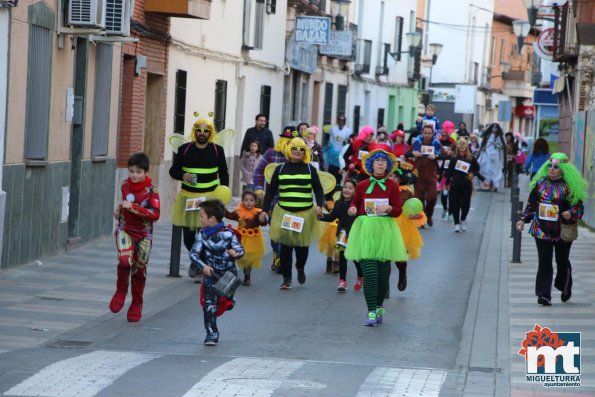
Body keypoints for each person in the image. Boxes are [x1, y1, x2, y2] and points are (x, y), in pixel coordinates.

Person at [346, 149, 408, 326]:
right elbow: (355, 202)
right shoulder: (362, 185)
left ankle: (379, 306)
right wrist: (352, 209)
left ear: (387, 166)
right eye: (377, 161)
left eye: (383, 161)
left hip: (384, 230)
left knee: (382, 275)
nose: (380, 163)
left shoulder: (392, 186)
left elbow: (398, 210)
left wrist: (389, 209)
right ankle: (371, 311)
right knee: (370, 273)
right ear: (371, 164)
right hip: (365, 230)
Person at [516, 153, 586, 306]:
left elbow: (579, 209)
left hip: (562, 231)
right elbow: (531, 206)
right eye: (550, 166)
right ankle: (543, 294)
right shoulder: (539, 185)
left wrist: (571, 214)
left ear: (563, 170)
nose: (552, 169)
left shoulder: (569, 187)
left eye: (556, 167)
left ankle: (565, 284)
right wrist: (522, 220)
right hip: (541, 230)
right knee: (544, 262)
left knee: (562, 261)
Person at [260, 137, 325, 290]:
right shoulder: (280, 169)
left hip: (304, 214)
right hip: (285, 213)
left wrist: (320, 205)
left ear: (305, 153)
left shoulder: (310, 169)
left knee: (302, 247)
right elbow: (270, 192)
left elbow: (319, 190)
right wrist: (264, 210)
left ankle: (300, 267)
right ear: (289, 150)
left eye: (301, 149)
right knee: (286, 247)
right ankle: (287, 278)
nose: (297, 152)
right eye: (294, 149)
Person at [169, 116, 230, 279]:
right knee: (189, 238)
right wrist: (183, 175)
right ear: (194, 131)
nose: (202, 133)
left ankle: (200, 265)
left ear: (210, 133)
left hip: (209, 199)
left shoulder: (217, 150)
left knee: (208, 235)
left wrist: (223, 198)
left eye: (206, 130)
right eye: (199, 130)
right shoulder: (184, 149)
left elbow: (224, 174)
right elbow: (173, 171)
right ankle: (199, 261)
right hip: (188, 199)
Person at [110, 152, 161, 322]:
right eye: (131, 171)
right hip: (125, 230)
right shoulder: (125, 185)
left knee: (139, 271)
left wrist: (133, 208)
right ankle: (120, 291)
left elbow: (155, 214)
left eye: (138, 171)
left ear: (146, 172)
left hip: (144, 234)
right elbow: (125, 204)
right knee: (124, 261)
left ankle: (137, 303)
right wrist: (119, 211)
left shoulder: (152, 191)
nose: (134, 175)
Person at [189, 199, 245, 345]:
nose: (200, 219)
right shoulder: (201, 235)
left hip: (228, 274)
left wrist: (235, 253)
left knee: (226, 299)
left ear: (212, 218)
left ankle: (229, 300)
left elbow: (240, 250)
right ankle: (212, 334)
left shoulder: (229, 234)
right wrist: (203, 267)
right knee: (209, 305)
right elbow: (193, 254)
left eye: (202, 216)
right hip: (210, 274)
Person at [253, 126, 295, 272]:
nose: (288, 142)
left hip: (291, 200)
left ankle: (282, 258)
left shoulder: (298, 157)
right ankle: (278, 256)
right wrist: (258, 187)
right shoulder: (271, 153)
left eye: (291, 140)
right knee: (275, 230)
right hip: (272, 200)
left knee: (286, 231)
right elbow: (259, 170)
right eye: (286, 139)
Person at [318, 179, 363, 292]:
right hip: (342, 234)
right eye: (345, 187)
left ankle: (360, 276)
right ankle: (342, 281)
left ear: (355, 191)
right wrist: (320, 215)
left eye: (350, 188)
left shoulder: (357, 203)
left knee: (354, 257)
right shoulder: (338, 203)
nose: (347, 190)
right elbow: (332, 217)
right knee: (342, 256)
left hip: (354, 233)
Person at [225, 191, 267, 286]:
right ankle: (233, 274)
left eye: (251, 200)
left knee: (249, 259)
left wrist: (263, 219)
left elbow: (262, 223)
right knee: (239, 256)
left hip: (253, 240)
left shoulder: (257, 213)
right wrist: (222, 208)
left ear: (255, 202)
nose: (248, 202)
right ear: (242, 201)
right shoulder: (239, 212)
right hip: (240, 238)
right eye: (246, 200)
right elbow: (229, 215)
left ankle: (247, 276)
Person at [408, 125, 442, 227]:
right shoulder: (418, 142)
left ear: (432, 134)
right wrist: (413, 152)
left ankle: (428, 215)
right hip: (419, 176)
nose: (427, 135)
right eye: (425, 133)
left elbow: (446, 155)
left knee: (432, 198)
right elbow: (407, 153)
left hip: (431, 176)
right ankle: (421, 220)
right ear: (422, 133)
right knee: (418, 200)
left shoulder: (435, 143)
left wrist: (436, 156)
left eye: (429, 133)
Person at [445, 139, 480, 233]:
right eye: (460, 144)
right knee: (455, 204)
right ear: (457, 146)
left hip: (466, 184)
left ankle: (463, 219)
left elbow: (477, 168)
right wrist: (446, 183)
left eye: (463, 144)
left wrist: (473, 174)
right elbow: (449, 172)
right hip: (455, 184)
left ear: (466, 146)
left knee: (466, 204)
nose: (461, 146)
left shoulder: (471, 158)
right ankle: (456, 224)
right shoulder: (454, 158)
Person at [477, 123, 506, 192]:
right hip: (486, 154)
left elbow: (502, 146)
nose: (494, 129)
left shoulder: (500, 137)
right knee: (485, 168)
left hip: (496, 156)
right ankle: (486, 184)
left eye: (496, 127)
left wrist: (497, 145)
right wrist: (483, 148)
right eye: (493, 127)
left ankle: (494, 185)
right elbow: (482, 144)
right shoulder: (487, 136)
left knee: (495, 171)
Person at [325, 114, 352, 183]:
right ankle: (330, 182)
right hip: (332, 151)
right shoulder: (333, 129)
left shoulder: (348, 130)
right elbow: (327, 135)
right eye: (339, 120)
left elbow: (350, 140)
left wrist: (346, 144)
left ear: (345, 121)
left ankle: (338, 183)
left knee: (339, 168)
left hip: (341, 152)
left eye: (343, 120)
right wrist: (327, 143)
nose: (341, 122)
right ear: (337, 121)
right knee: (331, 168)